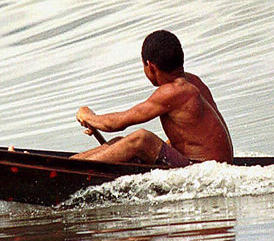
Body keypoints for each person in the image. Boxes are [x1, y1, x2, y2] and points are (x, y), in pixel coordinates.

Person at [72, 30, 233, 166]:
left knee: (141, 139)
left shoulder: (173, 92)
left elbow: (118, 123)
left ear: (151, 67)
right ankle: (72, 163)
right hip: (217, 165)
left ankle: (72, 170)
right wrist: (95, 122)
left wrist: (89, 117)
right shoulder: (194, 82)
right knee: (120, 143)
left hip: (202, 170)